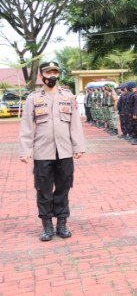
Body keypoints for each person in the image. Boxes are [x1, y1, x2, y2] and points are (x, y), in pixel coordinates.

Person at [18, 61, 86, 241]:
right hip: (42, 152)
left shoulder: (68, 96)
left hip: (64, 151)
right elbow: (26, 126)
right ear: (42, 75)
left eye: (55, 72)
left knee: (64, 188)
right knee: (43, 189)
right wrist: (25, 150)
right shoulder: (33, 98)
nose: (52, 75)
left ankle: (62, 224)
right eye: (48, 72)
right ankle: (47, 225)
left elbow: (75, 124)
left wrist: (78, 146)